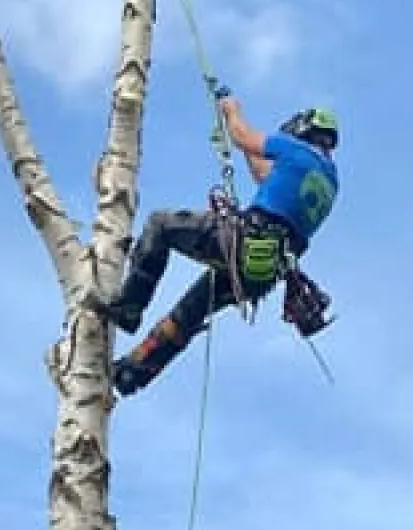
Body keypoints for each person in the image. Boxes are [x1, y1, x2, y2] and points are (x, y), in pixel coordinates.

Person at [100, 91, 340, 397]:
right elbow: (263, 174)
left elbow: (243, 136)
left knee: (160, 224)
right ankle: (132, 374)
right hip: (263, 270)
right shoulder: (328, 178)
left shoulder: (296, 149)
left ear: (305, 128)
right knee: (189, 313)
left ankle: (130, 307)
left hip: (244, 241)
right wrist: (243, 146)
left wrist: (231, 110)